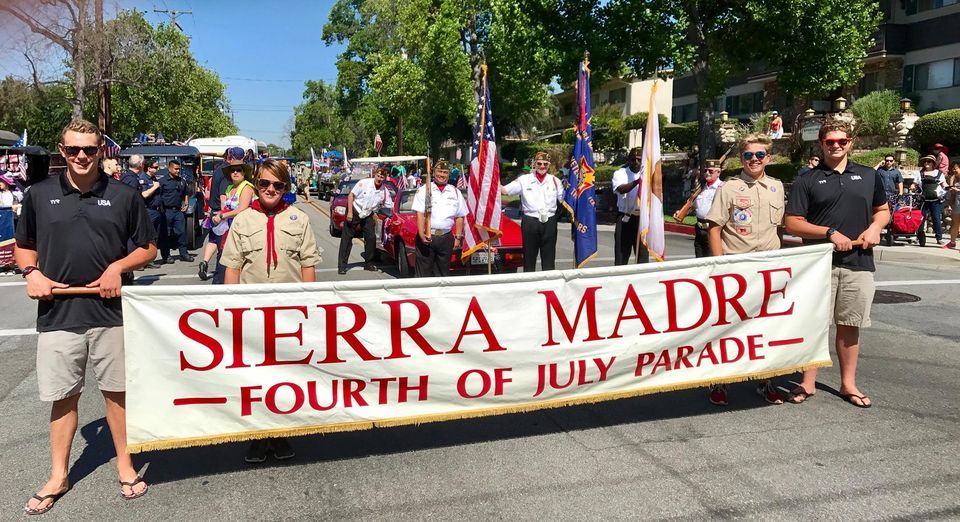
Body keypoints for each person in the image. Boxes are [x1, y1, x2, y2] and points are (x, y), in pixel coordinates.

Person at [15, 119, 157, 514]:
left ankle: (125, 466)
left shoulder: (125, 195)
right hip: (59, 313)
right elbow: (24, 247)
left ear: (101, 152)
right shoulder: (39, 195)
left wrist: (117, 268)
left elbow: (147, 248)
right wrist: (33, 273)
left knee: (118, 393)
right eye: (74, 149)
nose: (81, 156)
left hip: (111, 312)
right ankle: (58, 474)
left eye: (90, 150)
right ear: (61, 151)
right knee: (63, 397)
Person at [221, 159, 321, 463]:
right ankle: (256, 436)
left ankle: (279, 434)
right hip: (250, 316)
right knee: (253, 380)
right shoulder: (242, 221)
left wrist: (311, 309)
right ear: (257, 184)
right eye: (264, 183)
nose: (270, 189)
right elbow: (232, 269)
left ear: (285, 188)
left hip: (289, 316)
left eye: (277, 185)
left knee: (285, 377)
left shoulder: (298, 219)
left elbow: (307, 266)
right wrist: (230, 313)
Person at [785, 119, 890, 408]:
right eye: (830, 141)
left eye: (842, 141)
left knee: (849, 325)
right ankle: (807, 382)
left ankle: (848, 384)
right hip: (818, 265)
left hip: (859, 262)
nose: (836, 145)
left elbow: (882, 211)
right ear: (821, 143)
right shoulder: (807, 179)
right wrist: (829, 233)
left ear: (851, 143)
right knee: (814, 324)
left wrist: (875, 228)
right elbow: (792, 222)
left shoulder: (869, 176)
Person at [704, 133, 786, 406]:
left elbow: (779, 230)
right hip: (736, 269)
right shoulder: (729, 188)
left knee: (767, 327)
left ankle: (765, 380)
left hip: (768, 270)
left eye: (760, 155)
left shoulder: (777, 187)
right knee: (729, 327)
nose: (754, 159)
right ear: (741, 158)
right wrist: (720, 266)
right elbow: (714, 228)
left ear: (768, 158)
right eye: (749, 155)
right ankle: (720, 381)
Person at [500, 151, 564, 272]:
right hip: (530, 221)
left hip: (549, 221)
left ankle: (549, 286)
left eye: (545, 164)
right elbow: (504, 191)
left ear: (549, 165)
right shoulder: (524, 180)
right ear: (534, 164)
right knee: (529, 257)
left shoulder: (555, 181)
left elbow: (564, 200)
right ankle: (530, 286)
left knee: (549, 257)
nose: (542, 166)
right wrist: (490, 180)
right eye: (539, 163)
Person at [412, 160, 466, 277]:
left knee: (443, 274)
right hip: (427, 236)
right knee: (423, 274)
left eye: (445, 172)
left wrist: (457, 237)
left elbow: (460, 216)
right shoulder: (424, 190)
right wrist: (421, 234)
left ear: (449, 174)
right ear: (433, 172)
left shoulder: (455, 192)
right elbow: (420, 214)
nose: (442, 175)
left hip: (446, 238)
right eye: (439, 171)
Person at [339, 166, 393, 274]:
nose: (379, 178)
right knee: (347, 238)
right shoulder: (364, 183)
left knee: (371, 237)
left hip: (367, 213)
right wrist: (349, 212)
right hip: (355, 210)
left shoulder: (384, 191)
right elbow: (351, 196)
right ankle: (342, 265)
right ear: (375, 174)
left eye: (382, 177)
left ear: (385, 178)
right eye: (378, 175)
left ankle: (368, 263)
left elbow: (389, 205)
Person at [673, 159, 723, 258]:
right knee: (699, 262)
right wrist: (683, 212)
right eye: (705, 171)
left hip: (713, 230)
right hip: (699, 230)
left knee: (711, 262)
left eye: (710, 171)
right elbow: (694, 205)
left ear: (718, 173)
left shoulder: (723, 188)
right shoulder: (701, 188)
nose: (707, 173)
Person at [611, 147, 650, 265]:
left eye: (639, 160)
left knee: (642, 257)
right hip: (625, 218)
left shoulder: (647, 175)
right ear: (628, 160)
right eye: (633, 159)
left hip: (642, 220)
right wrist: (638, 181)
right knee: (621, 257)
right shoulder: (620, 173)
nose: (636, 162)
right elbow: (621, 189)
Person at [156, 159, 194, 263]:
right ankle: (166, 256)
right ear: (170, 168)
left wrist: (186, 203)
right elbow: (158, 196)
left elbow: (186, 192)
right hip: (166, 211)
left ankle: (184, 254)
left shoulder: (181, 181)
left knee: (182, 233)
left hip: (178, 211)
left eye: (179, 169)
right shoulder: (162, 181)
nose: (178, 171)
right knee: (166, 234)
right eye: (176, 169)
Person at [912, 155, 948, 245]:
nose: (926, 163)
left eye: (929, 161)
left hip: (936, 201)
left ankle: (939, 238)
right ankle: (919, 237)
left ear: (933, 163)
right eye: (925, 162)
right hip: (923, 200)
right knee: (921, 219)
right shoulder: (920, 173)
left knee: (936, 218)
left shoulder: (939, 173)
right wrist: (913, 186)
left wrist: (948, 188)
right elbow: (914, 184)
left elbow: (944, 184)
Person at [0, 172, 21, 274]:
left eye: (2, 181)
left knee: (12, 243)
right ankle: (4, 265)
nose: (0, 183)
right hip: (1, 222)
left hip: (12, 222)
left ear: (7, 183)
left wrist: (16, 207)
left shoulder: (15, 194)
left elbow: (18, 205)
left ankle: (11, 265)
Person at [944, 162, 960, 250]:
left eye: (955, 168)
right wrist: (949, 205)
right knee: (955, 223)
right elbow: (952, 194)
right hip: (957, 203)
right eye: (952, 169)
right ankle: (952, 242)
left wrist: (957, 189)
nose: (954, 170)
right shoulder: (954, 178)